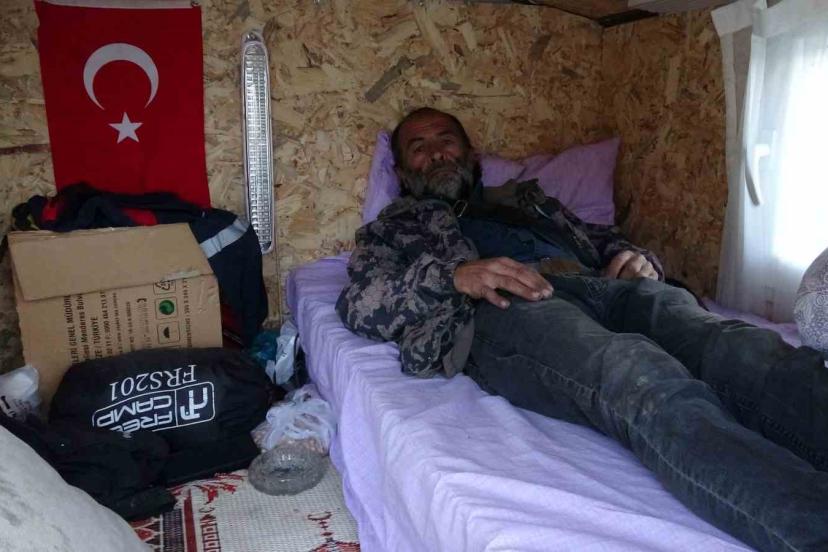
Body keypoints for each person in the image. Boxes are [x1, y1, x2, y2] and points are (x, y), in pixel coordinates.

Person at [336, 107, 828, 552]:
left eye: (446, 140)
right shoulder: (394, 226)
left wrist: (635, 257)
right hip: (505, 305)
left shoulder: (529, 201)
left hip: (604, 287)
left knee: (739, 347)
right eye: (418, 148)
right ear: (402, 172)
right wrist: (455, 277)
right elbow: (360, 304)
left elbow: (603, 239)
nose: (437, 153)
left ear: (470, 154)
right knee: (636, 373)